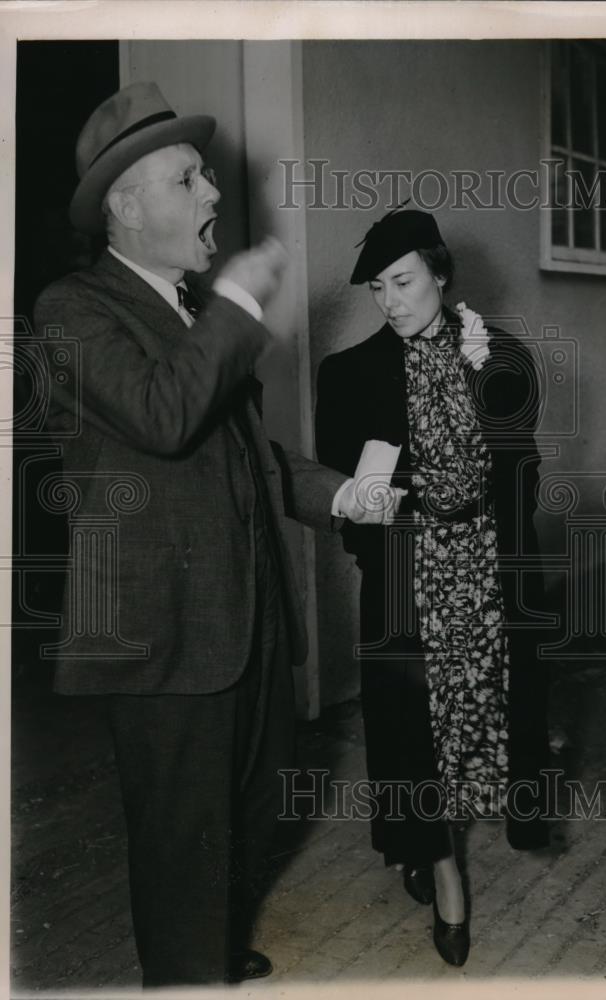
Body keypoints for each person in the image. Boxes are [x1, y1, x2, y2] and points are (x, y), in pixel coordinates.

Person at [32, 81, 401, 989]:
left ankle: (212, 945)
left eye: (205, 177)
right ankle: (187, 971)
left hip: (242, 621)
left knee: (237, 816)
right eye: (188, 180)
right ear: (123, 206)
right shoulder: (70, 310)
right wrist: (237, 304)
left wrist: (341, 496)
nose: (212, 197)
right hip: (161, 636)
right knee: (181, 836)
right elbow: (164, 417)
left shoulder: (192, 315)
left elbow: (246, 458)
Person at [315, 208, 550, 967]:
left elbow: (522, 470)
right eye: (378, 287)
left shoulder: (500, 356)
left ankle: (450, 836)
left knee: (480, 718)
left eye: (404, 281)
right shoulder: (347, 373)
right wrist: (378, 512)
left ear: (440, 275)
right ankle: (442, 871)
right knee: (411, 733)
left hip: (486, 576)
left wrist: (485, 381)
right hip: (406, 581)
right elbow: (338, 491)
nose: (389, 300)